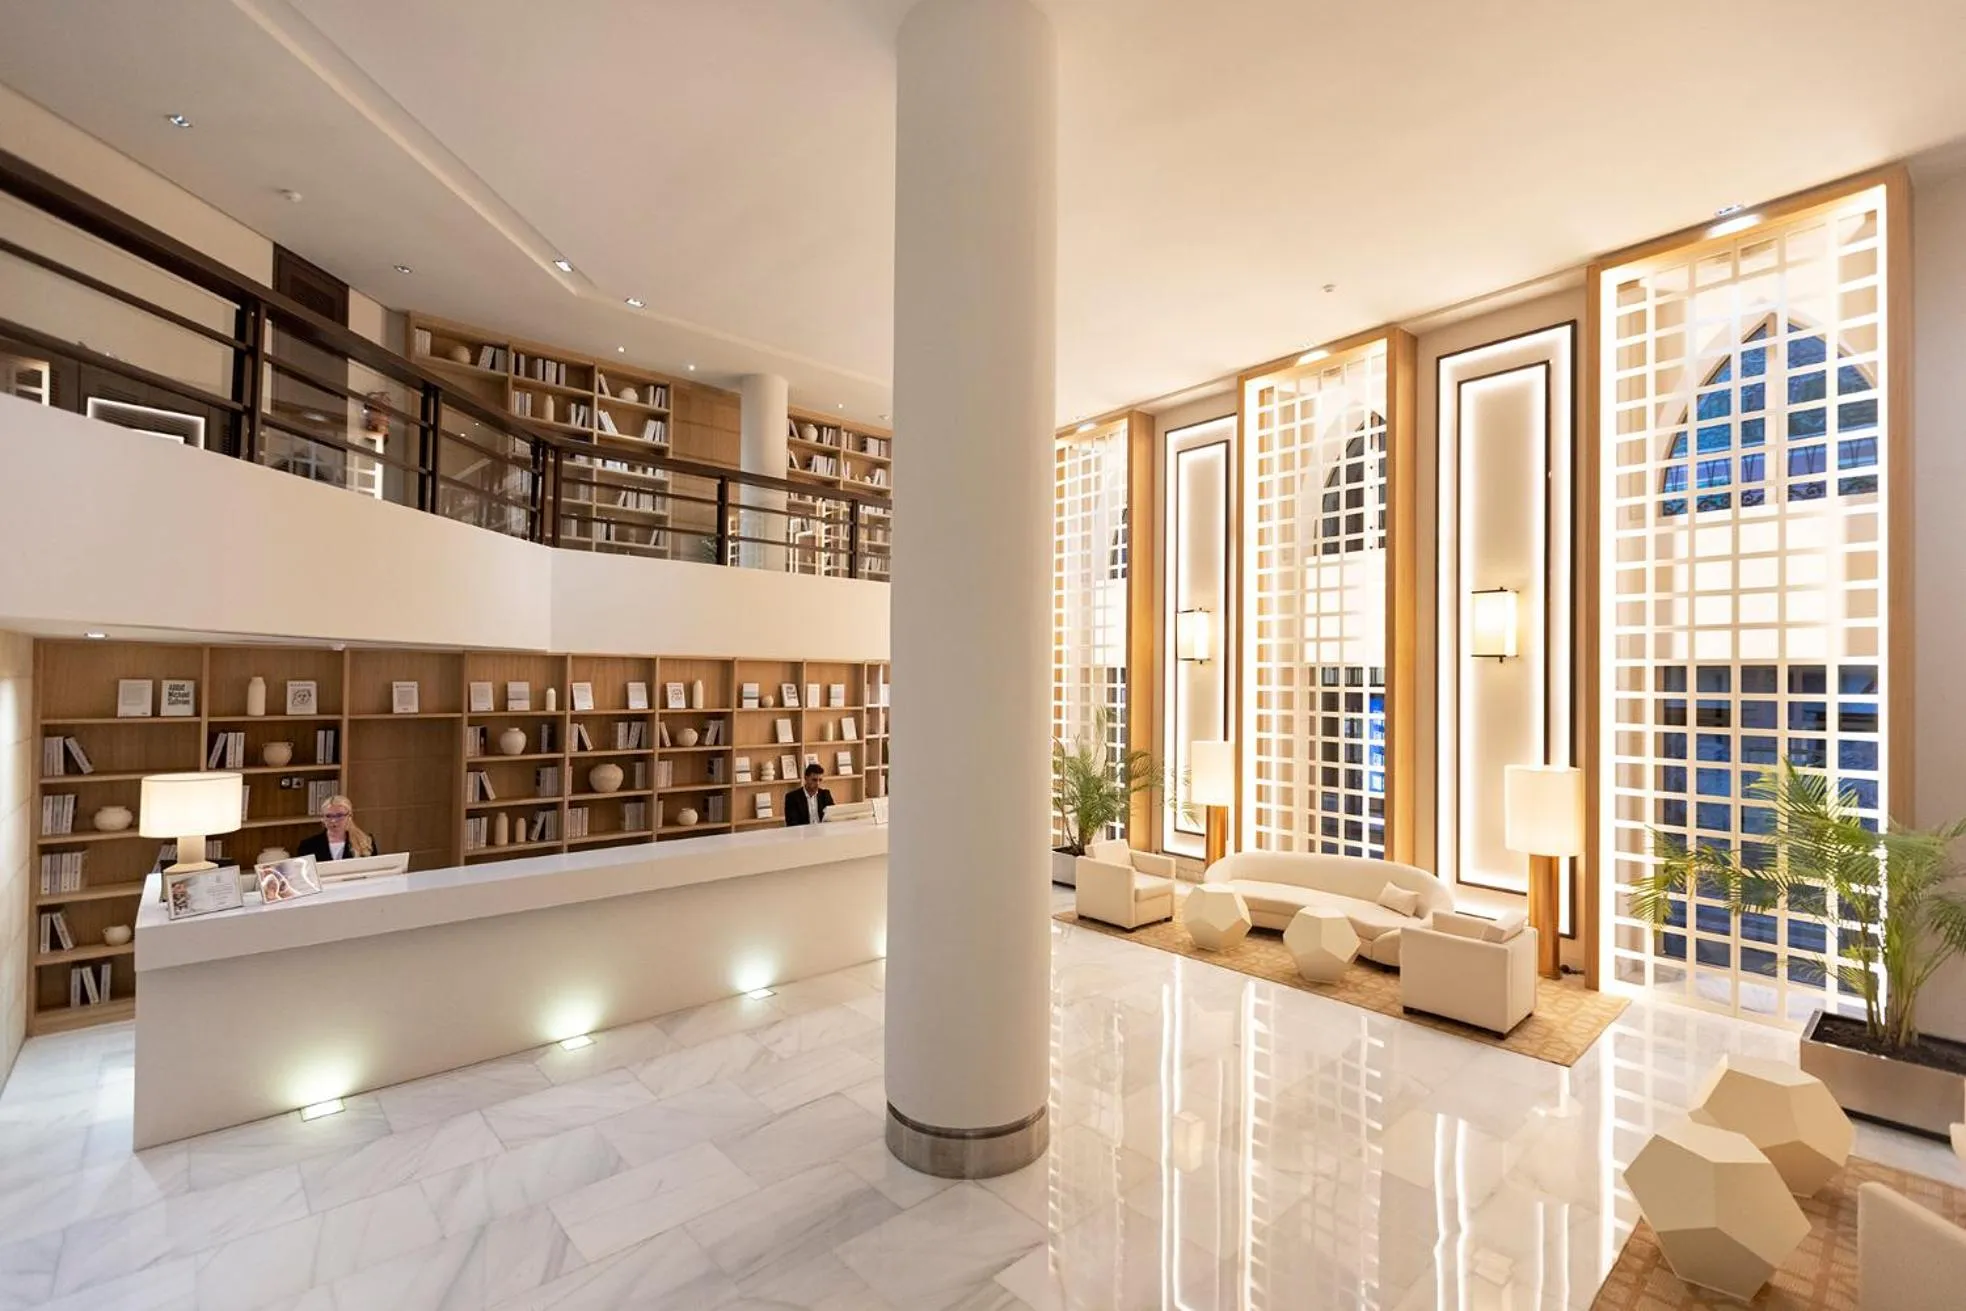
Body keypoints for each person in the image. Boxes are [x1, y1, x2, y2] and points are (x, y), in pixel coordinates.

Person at [296, 795, 376, 862]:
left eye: (339, 815)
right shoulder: (307, 846)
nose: (333, 820)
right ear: (323, 818)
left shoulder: (366, 842)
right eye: (328, 816)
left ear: (349, 816)